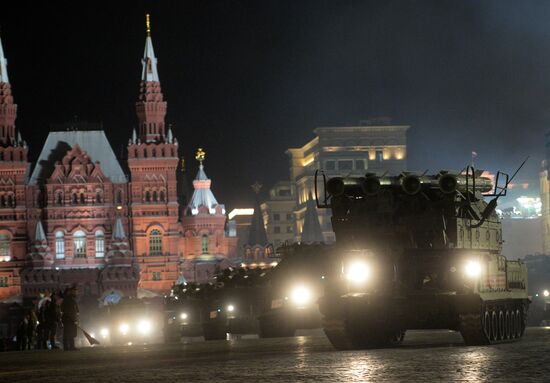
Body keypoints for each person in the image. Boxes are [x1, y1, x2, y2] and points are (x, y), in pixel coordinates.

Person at [61, 285, 79, 351]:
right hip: (68, 319)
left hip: (70, 319)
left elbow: (75, 309)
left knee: (71, 333)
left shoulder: (71, 299)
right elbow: (66, 310)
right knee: (68, 333)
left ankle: (71, 346)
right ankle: (67, 347)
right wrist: (71, 318)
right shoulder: (68, 299)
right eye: (75, 291)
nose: (77, 293)